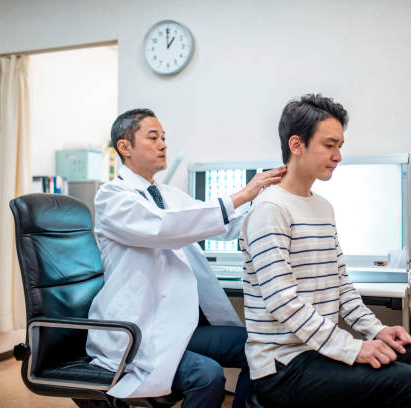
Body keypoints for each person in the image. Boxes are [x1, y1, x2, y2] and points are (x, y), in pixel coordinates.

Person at [240, 94, 411, 408]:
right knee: (410, 385)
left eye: (340, 146)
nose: (338, 155)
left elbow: (341, 285)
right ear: (297, 145)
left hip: (319, 349)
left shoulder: (323, 208)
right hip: (283, 365)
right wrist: (352, 349)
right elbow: (284, 302)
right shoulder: (270, 209)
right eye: (329, 145)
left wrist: (376, 331)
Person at [85, 108, 286, 408]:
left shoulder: (167, 195)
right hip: (138, 332)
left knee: (261, 346)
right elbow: (165, 227)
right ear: (124, 147)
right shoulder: (112, 196)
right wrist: (244, 193)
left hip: (177, 325)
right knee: (209, 375)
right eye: (153, 137)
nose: (163, 144)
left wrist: (271, 201)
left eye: (164, 137)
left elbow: (223, 225)